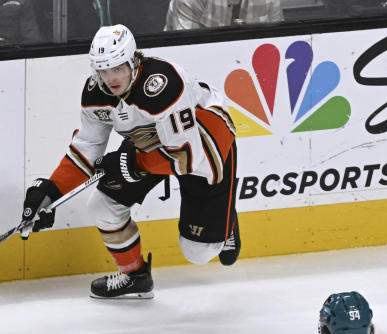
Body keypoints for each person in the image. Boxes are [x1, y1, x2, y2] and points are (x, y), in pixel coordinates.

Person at [20, 24, 241, 299]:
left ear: (133, 61)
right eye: (103, 69)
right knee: (102, 206)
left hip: (206, 143)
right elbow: (88, 146)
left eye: (117, 68)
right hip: (148, 143)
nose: (110, 78)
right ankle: (135, 277)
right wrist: (50, 192)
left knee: (199, 252)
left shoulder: (163, 84)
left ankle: (226, 220)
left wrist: (132, 164)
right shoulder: (95, 93)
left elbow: (186, 157)